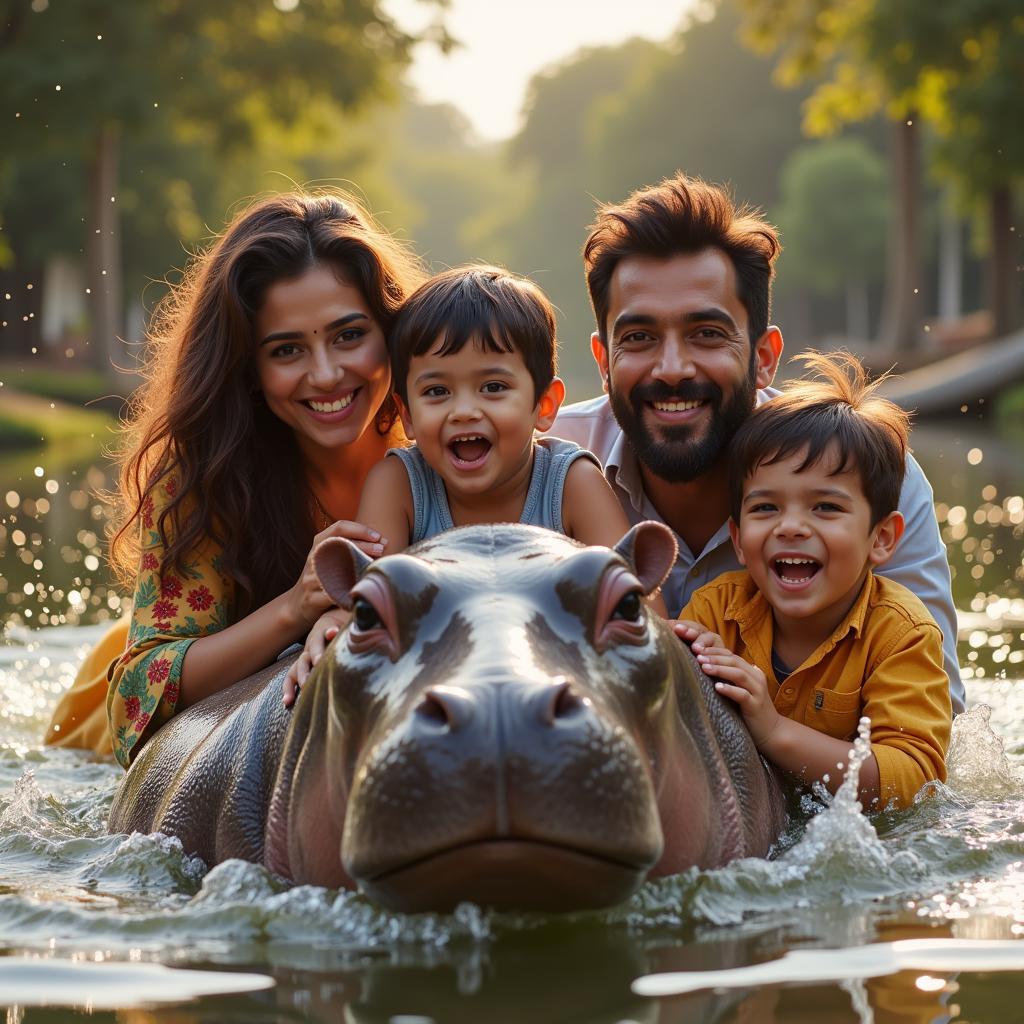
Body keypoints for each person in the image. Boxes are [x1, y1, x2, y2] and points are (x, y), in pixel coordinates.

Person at [549, 172, 965, 714]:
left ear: (764, 357)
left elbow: (936, 735)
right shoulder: (543, 470)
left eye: (707, 333)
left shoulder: (867, 473)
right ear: (604, 362)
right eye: (640, 338)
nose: (672, 368)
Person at [43, 190, 426, 767]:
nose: (325, 375)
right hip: (109, 709)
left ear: (393, 332)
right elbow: (135, 699)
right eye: (287, 350)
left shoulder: (443, 441)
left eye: (349, 335)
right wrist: (296, 608)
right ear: (248, 366)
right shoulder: (208, 473)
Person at [283, 265, 648, 699]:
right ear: (407, 414)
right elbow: (371, 602)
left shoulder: (571, 483)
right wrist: (335, 625)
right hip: (429, 693)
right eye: (437, 392)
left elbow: (640, 607)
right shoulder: (400, 484)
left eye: (492, 387)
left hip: (556, 686)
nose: (464, 411)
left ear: (544, 406)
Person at [677, 351, 951, 810]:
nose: (791, 527)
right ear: (739, 540)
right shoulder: (714, 615)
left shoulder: (901, 633)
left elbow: (914, 781)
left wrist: (775, 730)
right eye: (766, 508)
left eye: (825, 507)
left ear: (881, 538)